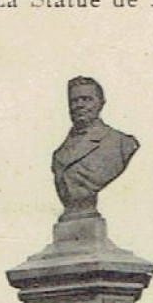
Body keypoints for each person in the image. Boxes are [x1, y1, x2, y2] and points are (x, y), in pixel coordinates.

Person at [50, 76, 140, 222]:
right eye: (74, 101)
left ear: (101, 103)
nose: (79, 105)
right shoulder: (59, 153)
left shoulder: (121, 143)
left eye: (86, 99)